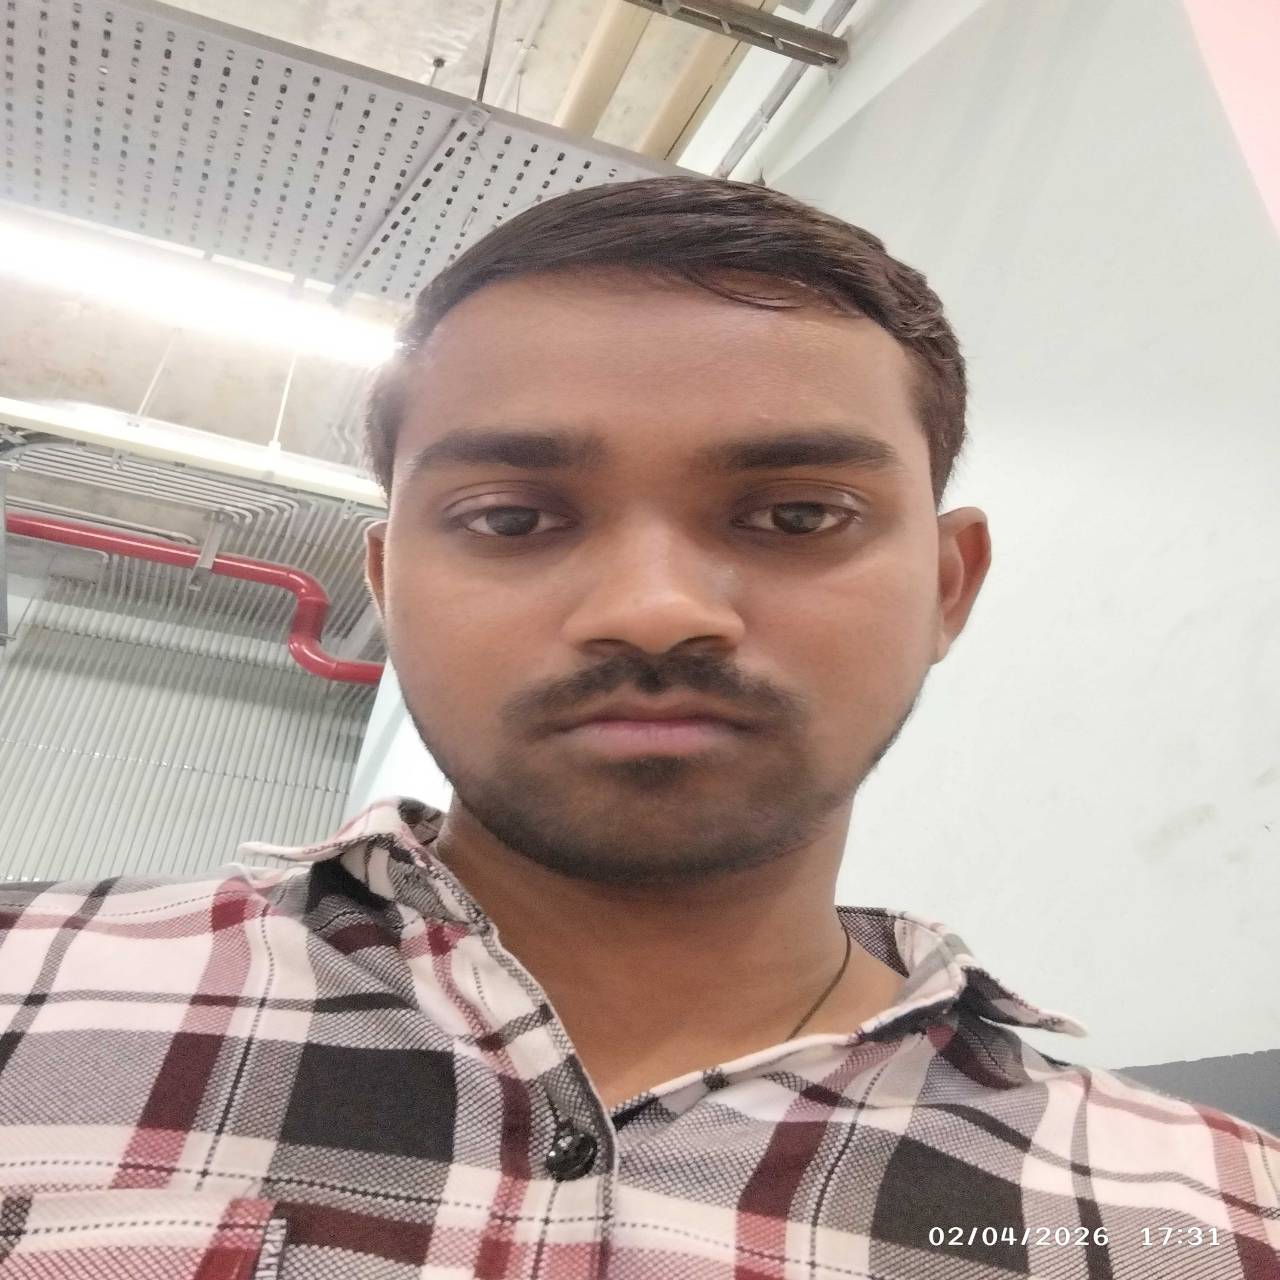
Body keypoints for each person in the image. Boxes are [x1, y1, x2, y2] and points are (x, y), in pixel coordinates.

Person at [0, 176, 1275, 1279]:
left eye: (795, 516)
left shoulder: (1212, 1225)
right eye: (511, 517)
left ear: (947, 586)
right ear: (388, 586)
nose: (653, 610)